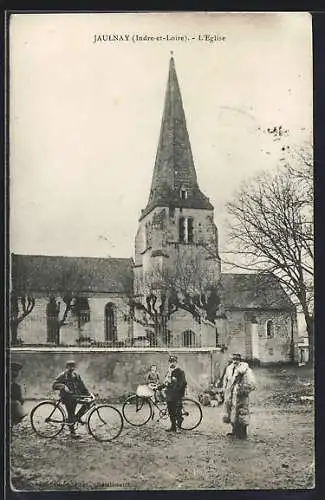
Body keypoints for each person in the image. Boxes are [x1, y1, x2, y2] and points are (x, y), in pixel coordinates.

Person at [52, 359, 92, 439]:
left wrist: (88, 394)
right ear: (66, 367)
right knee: (71, 413)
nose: (71, 368)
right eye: (69, 366)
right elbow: (54, 385)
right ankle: (72, 432)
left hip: (75, 396)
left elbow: (82, 386)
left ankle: (77, 417)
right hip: (67, 397)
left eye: (73, 366)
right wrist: (63, 386)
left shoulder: (76, 375)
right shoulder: (63, 375)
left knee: (88, 403)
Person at [222, 353, 256, 439]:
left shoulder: (245, 370)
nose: (235, 361)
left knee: (242, 412)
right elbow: (226, 380)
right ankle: (234, 431)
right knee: (232, 412)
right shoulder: (229, 369)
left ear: (240, 360)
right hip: (231, 394)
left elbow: (252, 383)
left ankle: (243, 433)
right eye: (234, 359)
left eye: (237, 359)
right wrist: (225, 389)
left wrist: (244, 390)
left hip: (241, 395)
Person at [164, 355, 187, 433]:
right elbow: (166, 382)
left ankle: (179, 427)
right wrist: (160, 387)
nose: (172, 363)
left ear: (176, 363)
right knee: (171, 411)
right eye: (170, 362)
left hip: (177, 394)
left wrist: (177, 390)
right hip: (169, 394)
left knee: (177, 411)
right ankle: (173, 426)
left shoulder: (180, 372)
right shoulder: (169, 372)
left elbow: (183, 383)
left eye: (173, 362)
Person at [11, 362, 28, 426]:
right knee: (16, 404)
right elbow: (18, 398)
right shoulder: (15, 385)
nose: (18, 373)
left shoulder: (14, 382)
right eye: (16, 371)